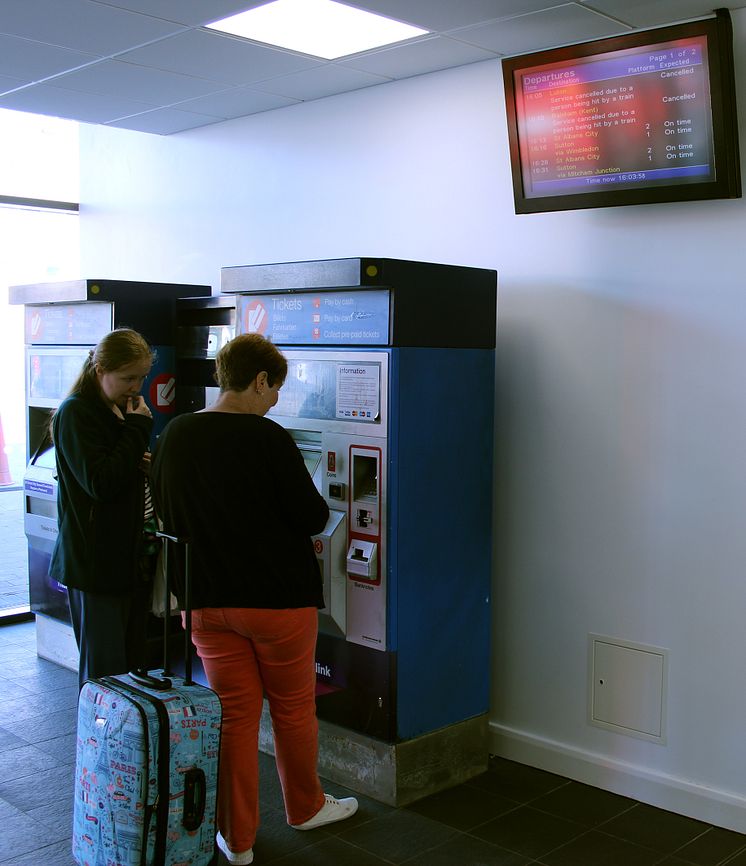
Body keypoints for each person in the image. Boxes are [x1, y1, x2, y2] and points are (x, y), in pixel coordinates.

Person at [151, 333, 357, 866]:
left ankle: (236, 839)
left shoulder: (176, 433)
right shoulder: (268, 439)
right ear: (259, 380)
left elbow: (168, 514)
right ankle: (306, 808)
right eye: (275, 389)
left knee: (235, 717)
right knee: (291, 711)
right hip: (276, 602)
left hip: (207, 602)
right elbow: (313, 516)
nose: (276, 402)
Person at [50, 327, 155, 690]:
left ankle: (127, 746)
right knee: (105, 673)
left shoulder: (117, 410)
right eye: (127, 377)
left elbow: (117, 468)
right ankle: (98, 743)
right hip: (95, 561)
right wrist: (138, 429)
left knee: (129, 665)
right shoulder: (77, 413)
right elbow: (100, 483)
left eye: (141, 377)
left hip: (128, 555)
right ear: (100, 370)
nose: (136, 387)